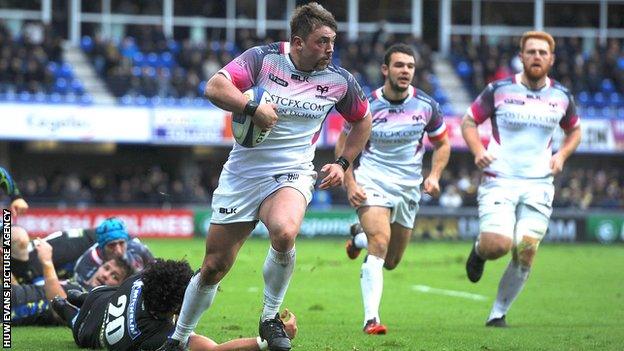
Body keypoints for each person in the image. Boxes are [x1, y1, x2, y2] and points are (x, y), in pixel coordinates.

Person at [161, 3, 372, 351]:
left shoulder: (339, 81)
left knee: (285, 231)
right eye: (322, 41)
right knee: (214, 267)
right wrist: (250, 107)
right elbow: (214, 87)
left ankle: (270, 317)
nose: (330, 49)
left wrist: (343, 163)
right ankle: (179, 338)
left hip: (292, 172)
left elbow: (362, 120)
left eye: (333, 41)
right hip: (242, 174)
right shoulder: (263, 59)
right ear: (298, 42)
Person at [462, 31, 581, 327]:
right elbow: (468, 121)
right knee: (498, 245)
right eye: (531, 52)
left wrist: (562, 155)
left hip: (539, 182)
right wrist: (478, 150)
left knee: (526, 248)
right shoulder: (498, 89)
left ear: (551, 59)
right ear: (522, 56)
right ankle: (479, 252)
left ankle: (497, 313)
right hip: (499, 178)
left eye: (543, 52)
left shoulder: (562, 96)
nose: (537, 56)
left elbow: (575, 130)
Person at [338, 44, 450, 334]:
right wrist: (349, 182)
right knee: (380, 242)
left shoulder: (427, 106)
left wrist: (435, 175)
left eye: (410, 66)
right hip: (372, 179)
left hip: (408, 188)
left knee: (391, 261)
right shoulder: (367, 104)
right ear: (385, 69)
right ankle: (371, 320)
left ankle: (357, 240)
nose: (405, 71)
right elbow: (344, 142)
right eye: (399, 65)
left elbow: (442, 143)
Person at [51, 259, 298, 351]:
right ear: (176, 306)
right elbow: (214, 350)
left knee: (95, 295)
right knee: (74, 319)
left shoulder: (140, 280)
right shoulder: (158, 336)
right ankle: (65, 306)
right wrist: (265, 341)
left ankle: (77, 297)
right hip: (86, 330)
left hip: (101, 298)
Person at [11, 239, 132, 326]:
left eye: (114, 276)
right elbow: (28, 292)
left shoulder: (91, 302)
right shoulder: (78, 283)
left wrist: (47, 262)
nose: (105, 275)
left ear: (118, 288)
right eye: (106, 268)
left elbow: (60, 310)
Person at [72, 217, 154, 286]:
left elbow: (155, 273)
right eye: (112, 245)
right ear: (102, 247)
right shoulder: (86, 265)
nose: (118, 251)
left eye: (121, 243)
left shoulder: (138, 249)